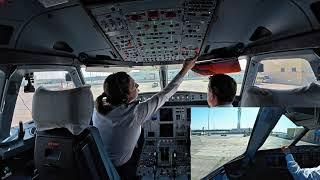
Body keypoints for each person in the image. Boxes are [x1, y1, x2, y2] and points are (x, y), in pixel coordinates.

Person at [92, 54, 198, 179]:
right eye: (134, 86)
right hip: (121, 167)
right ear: (126, 97)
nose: (137, 86)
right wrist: (185, 68)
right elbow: (166, 94)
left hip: (99, 161)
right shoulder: (135, 113)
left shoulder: (98, 107)